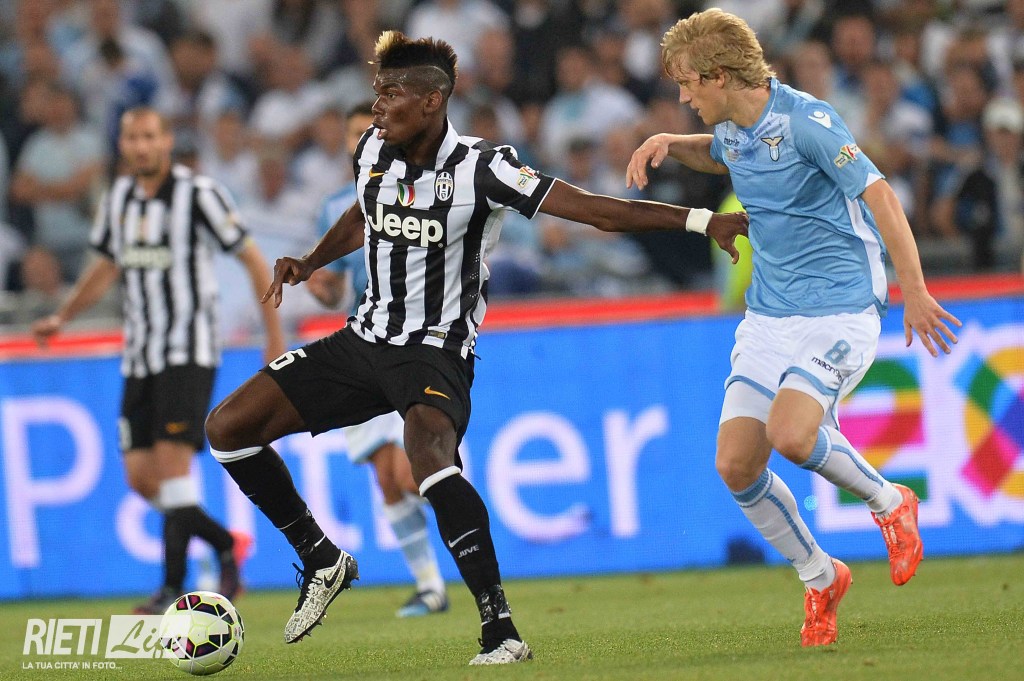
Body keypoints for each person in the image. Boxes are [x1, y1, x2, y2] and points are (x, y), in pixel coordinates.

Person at [203, 30, 747, 665]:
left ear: (431, 101)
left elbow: (594, 211)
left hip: (434, 349)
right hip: (364, 338)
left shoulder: (484, 168)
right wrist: (312, 260)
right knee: (228, 429)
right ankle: (321, 557)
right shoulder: (372, 148)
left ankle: (501, 630)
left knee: (428, 458)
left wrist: (702, 219)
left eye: (390, 94)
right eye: (376, 92)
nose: (378, 106)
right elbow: (363, 213)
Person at [625, 8, 962, 648]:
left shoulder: (807, 121)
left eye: (688, 84)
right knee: (735, 465)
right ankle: (820, 576)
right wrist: (670, 142)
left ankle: (891, 502)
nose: (684, 96)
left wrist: (915, 290)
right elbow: (720, 154)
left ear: (719, 76)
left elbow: (881, 196)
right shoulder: (732, 127)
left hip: (841, 308)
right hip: (768, 317)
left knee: (791, 433)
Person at [31, 107, 285, 614]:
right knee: (141, 478)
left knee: (172, 470)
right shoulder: (119, 198)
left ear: (166, 141)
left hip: (188, 351)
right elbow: (106, 266)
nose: (141, 146)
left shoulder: (200, 194)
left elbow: (254, 259)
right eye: (132, 137)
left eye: (150, 136)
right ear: (122, 144)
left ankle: (172, 587)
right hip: (139, 354)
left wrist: (273, 335)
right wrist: (63, 316)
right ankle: (223, 543)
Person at [305, 100, 449, 618]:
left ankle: (468, 521)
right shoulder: (335, 207)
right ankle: (430, 587)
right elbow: (338, 285)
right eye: (353, 134)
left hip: (415, 342)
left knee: (413, 474)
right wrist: (320, 286)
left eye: (370, 130)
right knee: (386, 479)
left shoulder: (424, 186)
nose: (362, 140)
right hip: (363, 343)